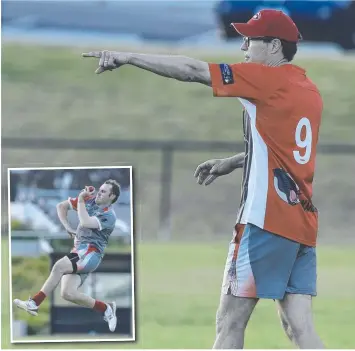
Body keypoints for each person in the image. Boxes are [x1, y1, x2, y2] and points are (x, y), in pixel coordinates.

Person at [81, 9, 324, 348]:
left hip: (265, 222)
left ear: (273, 46)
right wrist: (236, 161)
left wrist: (128, 56)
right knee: (300, 328)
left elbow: (193, 70)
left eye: (250, 40)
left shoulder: (266, 78)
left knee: (230, 322)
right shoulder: (308, 88)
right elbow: (289, 152)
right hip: (302, 224)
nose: (243, 48)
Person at [13, 179, 120, 332]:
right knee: (68, 293)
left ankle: (34, 303)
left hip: (91, 254)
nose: (99, 193)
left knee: (58, 266)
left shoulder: (109, 216)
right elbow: (61, 206)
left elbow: (85, 221)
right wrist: (67, 226)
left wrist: (81, 200)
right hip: (78, 252)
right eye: (100, 189)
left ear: (112, 197)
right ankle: (106, 308)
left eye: (103, 191)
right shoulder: (90, 201)